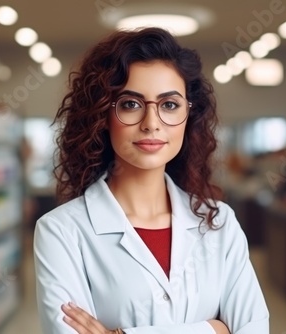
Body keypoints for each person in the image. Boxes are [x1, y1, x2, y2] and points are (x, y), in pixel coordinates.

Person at [34, 27, 269, 334]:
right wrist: (215, 329)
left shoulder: (219, 222)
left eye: (169, 105)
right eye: (130, 104)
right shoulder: (61, 231)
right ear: (102, 115)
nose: (151, 124)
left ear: (189, 113)